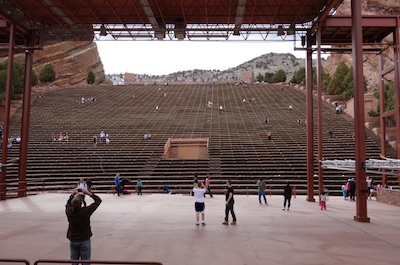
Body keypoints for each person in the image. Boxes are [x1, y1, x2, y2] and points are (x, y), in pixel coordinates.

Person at [66, 188, 101, 264]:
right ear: (81, 203)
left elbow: (68, 204)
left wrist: (72, 194)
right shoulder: (85, 211)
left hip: (73, 239)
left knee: (74, 262)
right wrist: (89, 193)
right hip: (84, 239)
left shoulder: (69, 212)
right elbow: (98, 201)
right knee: (85, 261)